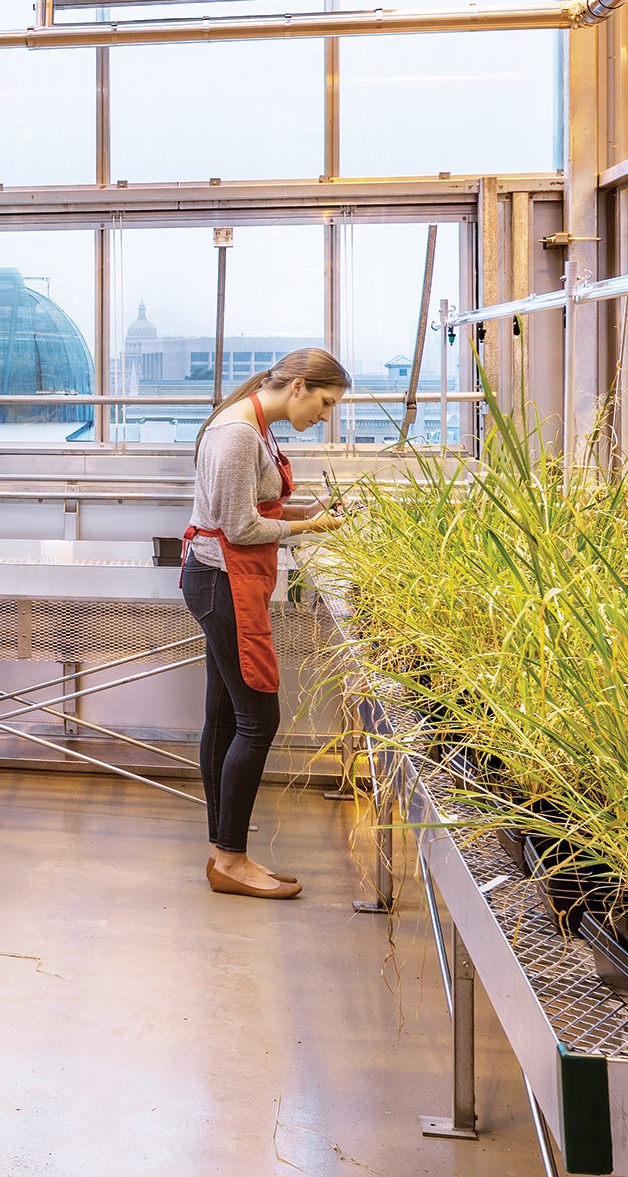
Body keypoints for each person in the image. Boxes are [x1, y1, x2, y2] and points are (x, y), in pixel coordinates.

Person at [180, 347, 352, 900]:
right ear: (299, 386)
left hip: (228, 580)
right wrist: (316, 526)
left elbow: (257, 508)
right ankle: (230, 859)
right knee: (258, 717)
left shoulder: (259, 426)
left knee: (226, 714)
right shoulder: (235, 435)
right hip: (222, 582)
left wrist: (306, 512)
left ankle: (222, 850)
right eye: (324, 403)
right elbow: (239, 527)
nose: (324, 416)